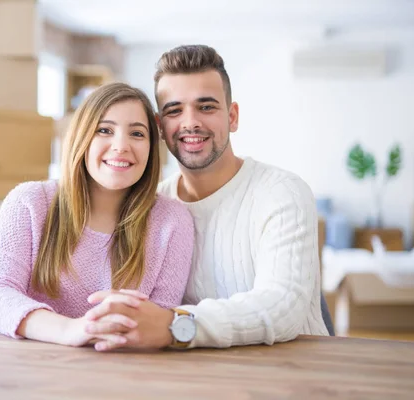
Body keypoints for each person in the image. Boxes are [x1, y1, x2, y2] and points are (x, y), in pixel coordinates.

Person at [83, 45, 330, 351]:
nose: (190, 123)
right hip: (199, 376)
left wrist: (174, 325)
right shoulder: (151, 206)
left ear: (233, 116)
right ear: (160, 127)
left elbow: (282, 308)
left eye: (206, 107)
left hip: (295, 372)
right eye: (174, 110)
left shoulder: (281, 192)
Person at [0, 82, 194, 347]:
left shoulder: (172, 221)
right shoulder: (30, 202)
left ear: (151, 148)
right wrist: (70, 330)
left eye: (137, 134)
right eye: (105, 130)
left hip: (127, 369)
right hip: (35, 368)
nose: (121, 146)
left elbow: (160, 320)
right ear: (82, 138)